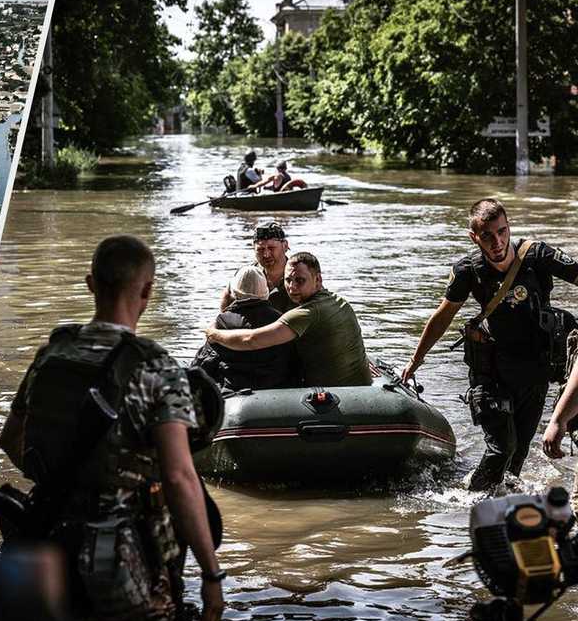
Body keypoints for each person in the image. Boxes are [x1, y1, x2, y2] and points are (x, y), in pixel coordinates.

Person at [0, 235, 224, 621]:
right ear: (147, 291)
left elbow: (12, 440)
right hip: (126, 561)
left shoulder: (51, 355)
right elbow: (180, 478)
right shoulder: (157, 368)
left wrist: (61, 479)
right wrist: (212, 575)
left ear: (89, 284)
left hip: (50, 547)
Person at [402, 198, 578, 491]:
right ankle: (471, 504)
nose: (497, 242)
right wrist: (415, 360)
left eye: (502, 231)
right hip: (491, 371)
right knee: (501, 450)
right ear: (475, 237)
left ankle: (501, 505)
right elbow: (442, 316)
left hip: (534, 372)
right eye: (488, 236)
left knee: (518, 455)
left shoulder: (537, 255)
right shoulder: (468, 270)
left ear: (509, 227)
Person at [205, 252, 372, 388]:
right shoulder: (339, 301)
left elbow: (251, 340)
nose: (292, 287)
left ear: (318, 280)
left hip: (336, 398)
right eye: (288, 280)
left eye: (300, 280)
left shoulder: (306, 314)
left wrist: (214, 333)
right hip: (363, 389)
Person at [194, 266, 297, 390]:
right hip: (276, 390)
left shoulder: (222, 322)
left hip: (234, 390)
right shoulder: (280, 320)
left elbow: (205, 362)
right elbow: (292, 360)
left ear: (234, 291)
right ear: (265, 290)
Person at [219, 222, 295, 314]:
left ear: (285, 246)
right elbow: (227, 300)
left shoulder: (298, 273)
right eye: (260, 249)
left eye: (271, 248)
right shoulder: (246, 275)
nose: (266, 254)